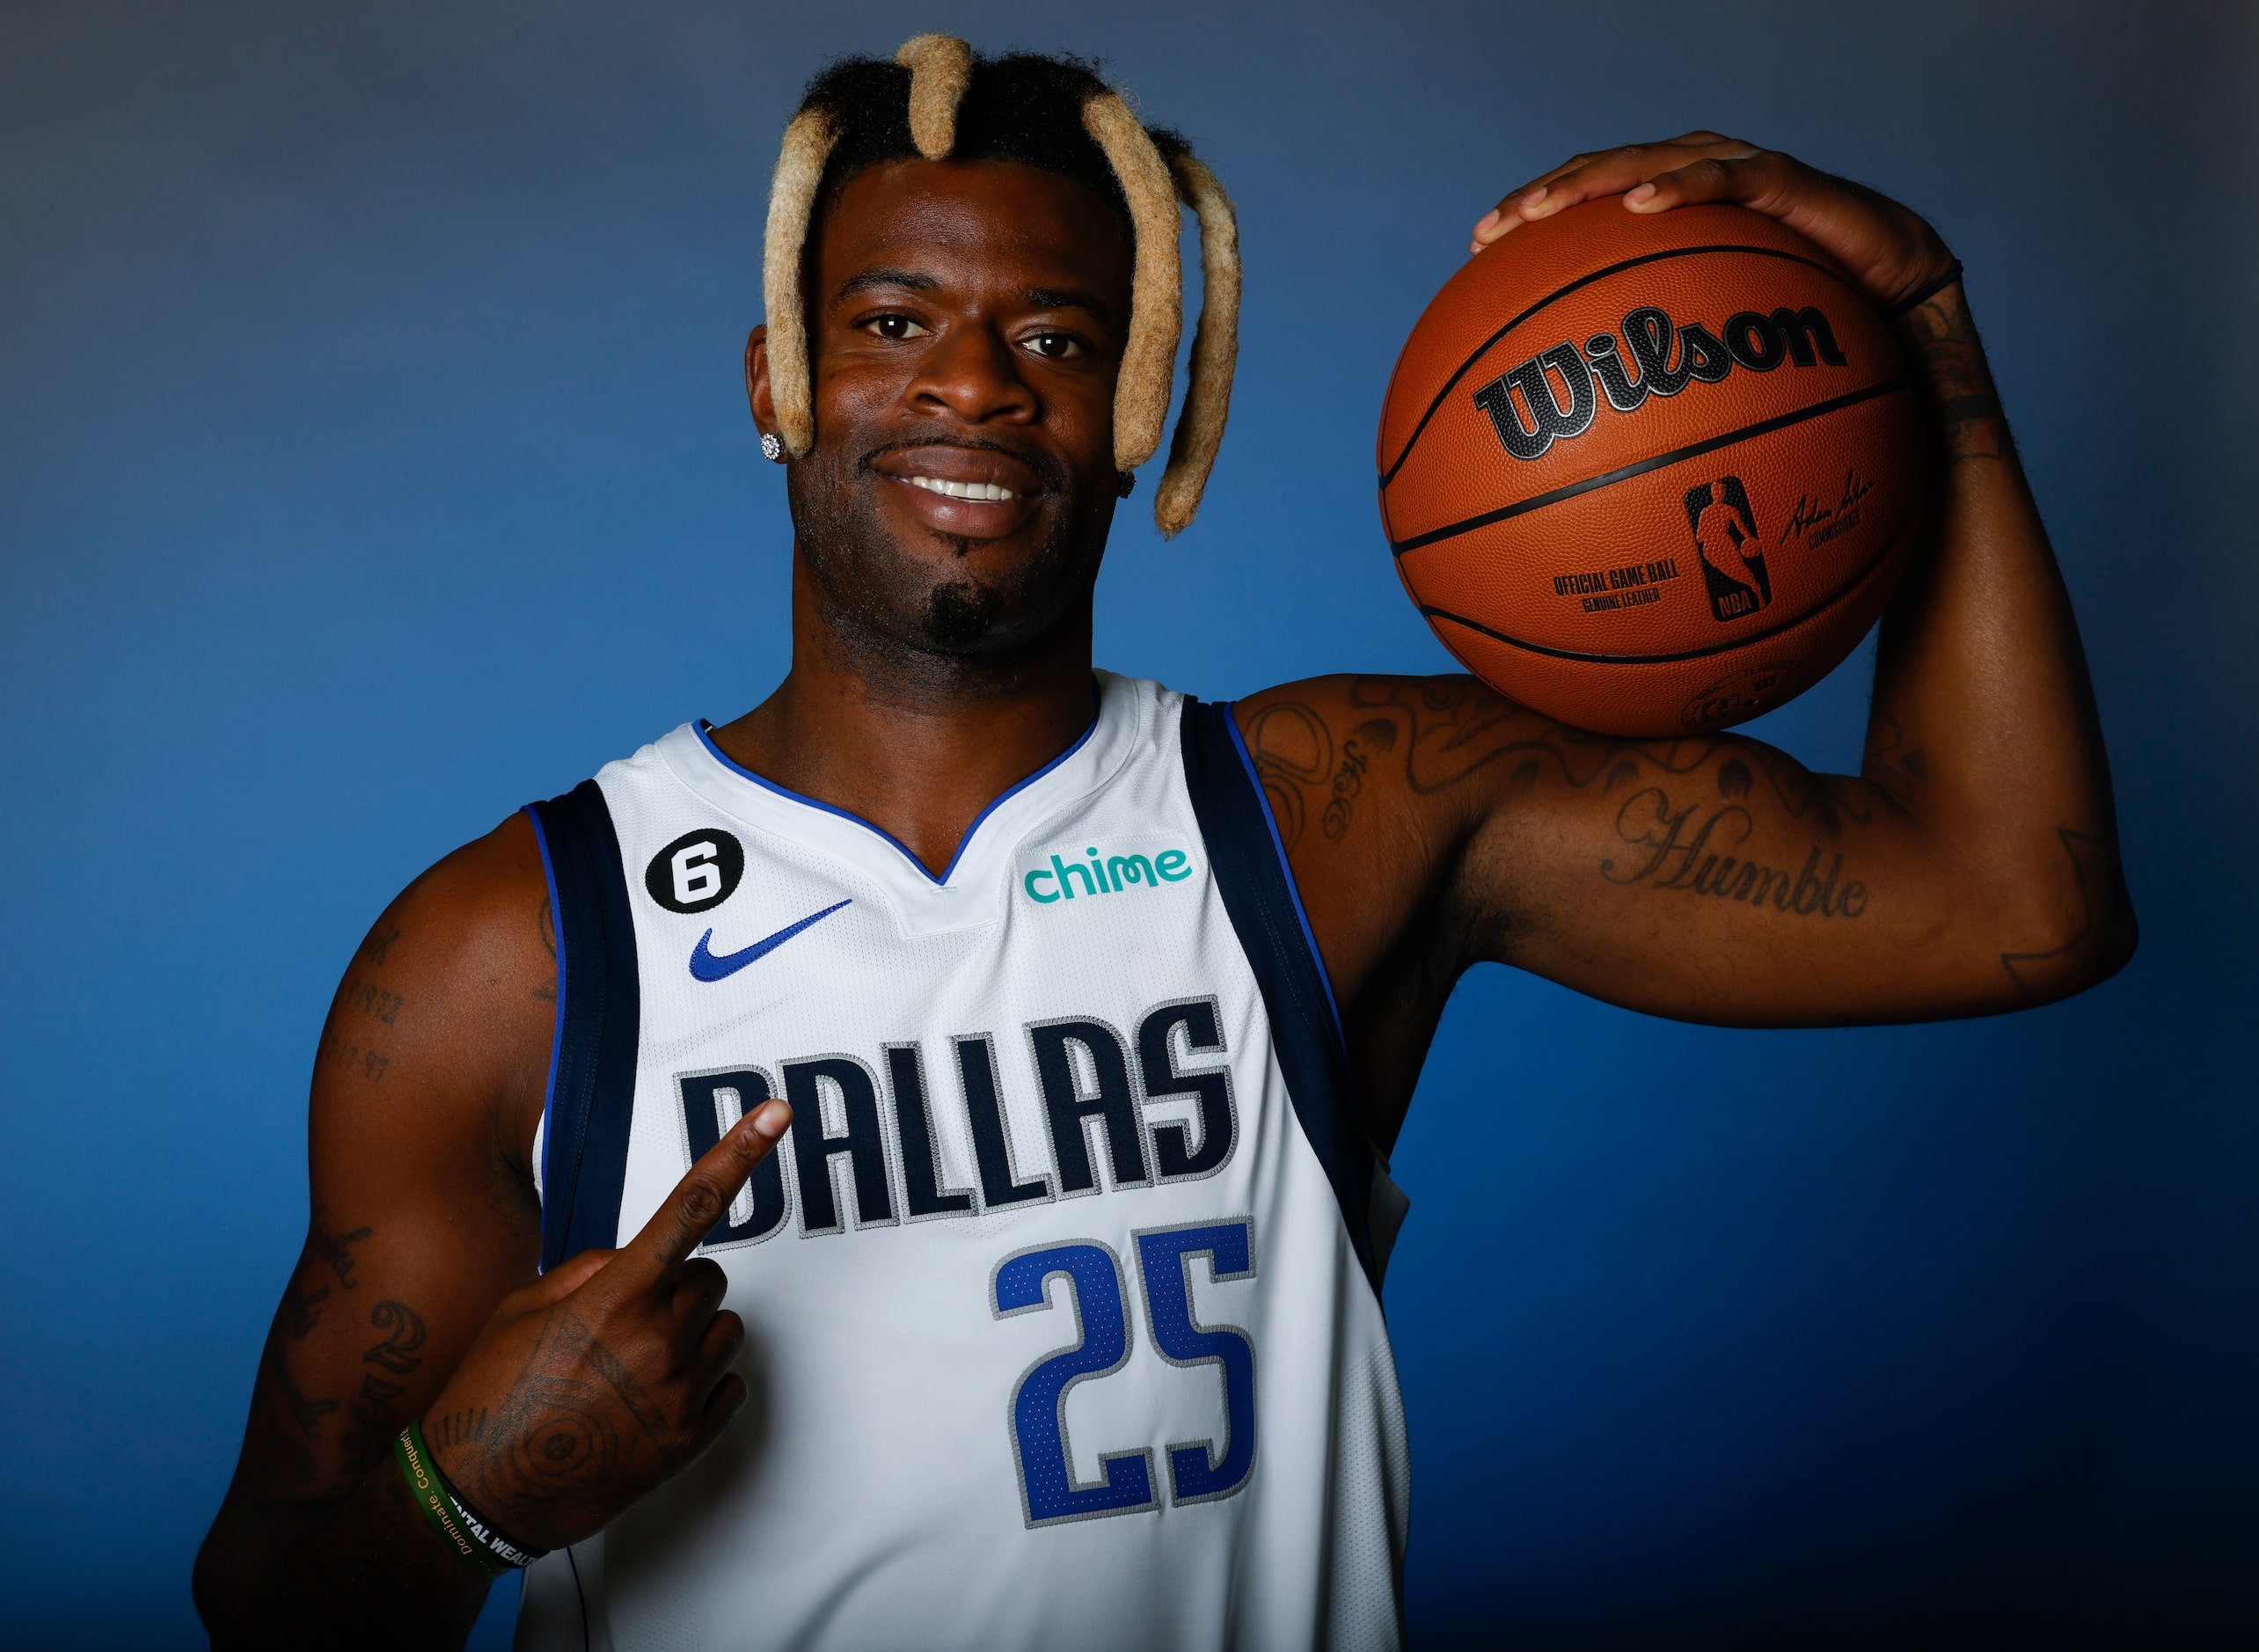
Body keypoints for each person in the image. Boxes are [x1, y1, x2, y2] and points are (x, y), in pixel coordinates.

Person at [193, 34, 2134, 1652]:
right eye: (892, 319)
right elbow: (268, 1602)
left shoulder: (1336, 811)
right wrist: (460, 1500)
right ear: (779, 380)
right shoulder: (509, 950)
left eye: (1053, 333)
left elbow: (2014, 900)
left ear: (1138, 408)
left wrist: (1921, 330)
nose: (973, 381)